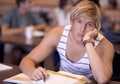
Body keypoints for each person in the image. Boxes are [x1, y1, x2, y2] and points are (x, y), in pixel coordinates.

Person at [20, 0, 114, 83]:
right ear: (72, 21)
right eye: (79, 21)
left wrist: (88, 42)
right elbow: (27, 60)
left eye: (89, 24)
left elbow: (102, 79)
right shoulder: (57, 34)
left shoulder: (105, 46)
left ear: (96, 28)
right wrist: (32, 71)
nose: (82, 29)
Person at [1, 0, 47, 64]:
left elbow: (43, 24)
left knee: (41, 50)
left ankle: (40, 70)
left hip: (27, 43)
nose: (32, 4)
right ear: (22, 4)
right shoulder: (9, 12)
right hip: (12, 43)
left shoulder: (31, 13)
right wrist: (24, 29)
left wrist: (32, 28)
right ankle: (16, 71)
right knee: (16, 53)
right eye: (29, 2)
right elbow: (4, 32)